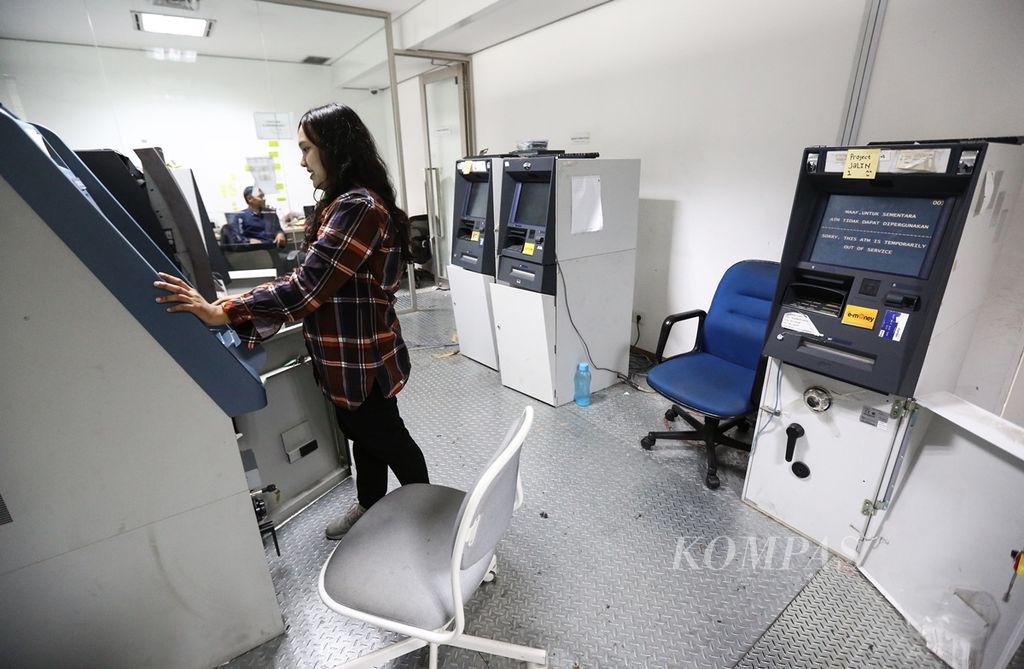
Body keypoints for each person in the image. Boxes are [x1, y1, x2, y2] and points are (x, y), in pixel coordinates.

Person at [155, 103, 428, 540]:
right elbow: (311, 278)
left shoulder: (357, 208)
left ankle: (433, 519)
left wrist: (225, 311)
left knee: (388, 437)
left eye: (306, 149)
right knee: (362, 434)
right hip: (344, 358)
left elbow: (307, 288)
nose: (301, 161)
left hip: (363, 359)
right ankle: (371, 503)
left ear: (334, 149)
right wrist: (240, 303)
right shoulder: (342, 203)